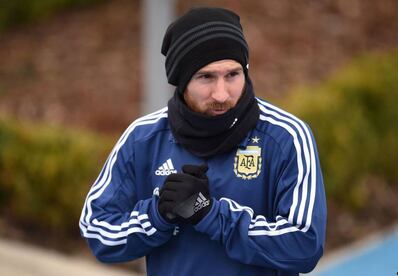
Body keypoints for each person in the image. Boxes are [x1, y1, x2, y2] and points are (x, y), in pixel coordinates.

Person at [79, 7, 326, 276]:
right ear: (181, 81)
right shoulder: (143, 138)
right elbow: (97, 230)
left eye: (232, 75)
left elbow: (305, 244)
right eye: (206, 77)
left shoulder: (285, 136)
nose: (221, 94)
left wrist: (210, 215)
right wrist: (158, 215)